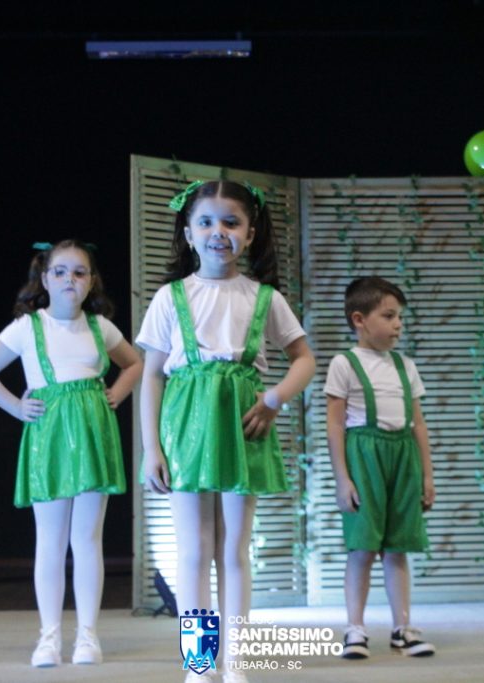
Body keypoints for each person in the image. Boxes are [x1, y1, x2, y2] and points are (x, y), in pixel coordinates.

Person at [137, 180, 315, 683]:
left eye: (231, 222)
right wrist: (152, 448)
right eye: (206, 222)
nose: (219, 231)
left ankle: (237, 660)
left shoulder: (264, 297)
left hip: (243, 426)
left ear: (250, 233)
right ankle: (199, 663)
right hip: (187, 429)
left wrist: (274, 399)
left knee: (234, 550)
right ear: (188, 233)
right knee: (194, 551)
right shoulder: (170, 297)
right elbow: (152, 375)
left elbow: (304, 359)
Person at [0, 240, 142, 668]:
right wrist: (16, 407)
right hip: (48, 437)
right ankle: (49, 636)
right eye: (60, 272)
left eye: (79, 272)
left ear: (91, 281)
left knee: (87, 539)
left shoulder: (101, 328)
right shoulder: (28, 327)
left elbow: (135, 364)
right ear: (45, 279)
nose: (70, 279)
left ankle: (88, 635)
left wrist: (117, 393)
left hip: (92, 437)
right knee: (49, 540)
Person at [324, 276, 435, 660]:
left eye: (399, 316)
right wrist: (343, 479)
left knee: (398, 547)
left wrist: (427, 474)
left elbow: (418, 423)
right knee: (363, 547)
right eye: (388, 316)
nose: (398, 324)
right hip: (364, 455)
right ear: (360, 319)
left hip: (403, 455)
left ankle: (402, 628)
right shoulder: (344, 363)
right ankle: (355, 628)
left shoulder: (406, 366)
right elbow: (335, 424)